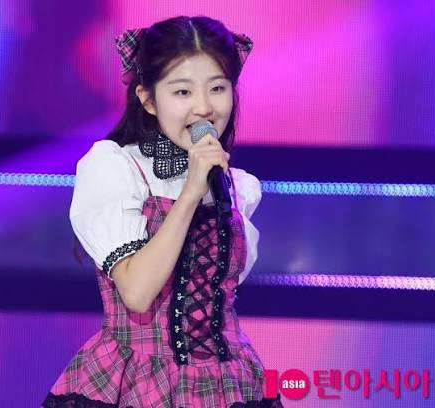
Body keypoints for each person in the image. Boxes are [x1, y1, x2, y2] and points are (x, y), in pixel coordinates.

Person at [42, 15, 283, 408]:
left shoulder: (238, 187)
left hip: (228, 384)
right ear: (148, 99)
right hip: (137, 381)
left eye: (218, 88)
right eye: (183, 92)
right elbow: (137, 292)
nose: (204, 107)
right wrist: (190, 192)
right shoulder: (117, 168)